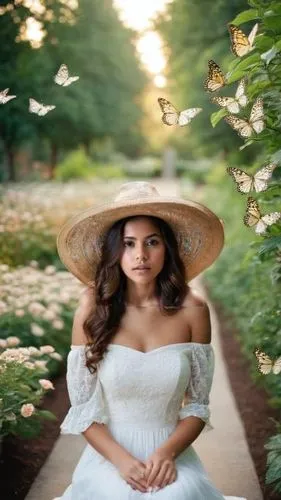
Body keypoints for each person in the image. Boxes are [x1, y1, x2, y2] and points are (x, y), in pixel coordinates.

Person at [54, 181, 246, 499]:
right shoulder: (92, 307)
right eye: (128, 244)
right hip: (109, 456)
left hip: (170, 454)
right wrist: (122, 462)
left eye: (152, 242)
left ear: (166, 248)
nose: (140, 255)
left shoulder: (193, 309)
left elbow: (197, 406)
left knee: (177, 495)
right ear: (115, 251)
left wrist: (167, 454)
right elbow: (83, 410)